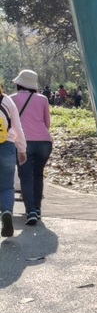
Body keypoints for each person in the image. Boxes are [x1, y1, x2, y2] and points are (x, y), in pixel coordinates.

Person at [12, 70, 53, 226]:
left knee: (25, 176)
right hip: (44, 143)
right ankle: (37, 208)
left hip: (23, 142)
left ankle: (30, 212)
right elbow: (47, 123)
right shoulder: (43, 99)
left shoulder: (12, 99)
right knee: (38, 175)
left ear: (19, 84)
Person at [0, 83, 28, 239]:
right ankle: (6, 211)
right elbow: (17, 127)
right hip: (7, 146)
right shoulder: (8, 101)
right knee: (6, 187)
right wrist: (22, 149)